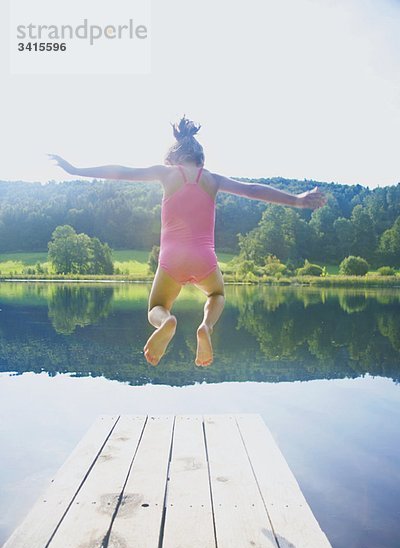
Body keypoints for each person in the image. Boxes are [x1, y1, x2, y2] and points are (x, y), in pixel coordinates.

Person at [49, 116, 327, 368]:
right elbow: (253, 190)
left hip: (172, 259)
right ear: (201, 160)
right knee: (217, 295)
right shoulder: (212, 179)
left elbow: (122, 171)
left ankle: (167, 323)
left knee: (156, 308)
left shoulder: (166, 174)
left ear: (173, 158)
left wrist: (75, 170)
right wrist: (297, 200)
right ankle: (206, 326)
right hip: (204, 258)